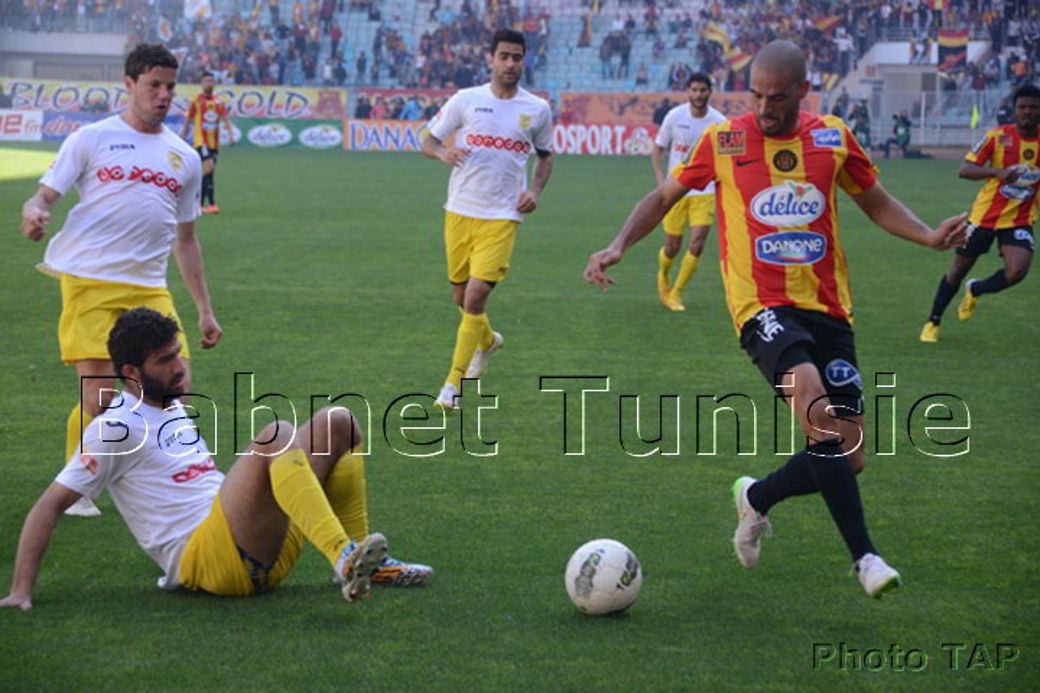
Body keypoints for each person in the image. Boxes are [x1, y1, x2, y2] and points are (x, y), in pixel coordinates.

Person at [583, 40, 967, 598]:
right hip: (760, 307)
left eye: (778, 97)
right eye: (757, 94)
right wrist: (618, 244)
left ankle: (757, 497)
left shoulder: (832, 137)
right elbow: (664, 194)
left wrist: (930, 235)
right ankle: (866, 558)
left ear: (803, 91)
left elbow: (876, 201)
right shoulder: (725, 140)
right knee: (812, 400)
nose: (765, 107)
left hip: (830, 310)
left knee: (849, 455)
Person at [0, 308, 432, 611]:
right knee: (276, 435)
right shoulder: (115, 428)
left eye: (177, 353)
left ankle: (362, 567)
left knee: (340, 421)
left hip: (253, 541)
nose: (180, 367)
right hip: (209, 562)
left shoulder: (168, 402)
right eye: (165, 360)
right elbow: (48, 506)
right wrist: (21, 590)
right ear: (131, 372)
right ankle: (343, 555)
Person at [20, 43, 224, 518]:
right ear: (129, 84)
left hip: (150, 288)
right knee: (100, 398)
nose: (164, 94)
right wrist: (35, 211)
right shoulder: (91, 138)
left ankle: (156, 474)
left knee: (176, 389)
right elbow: (44, 196)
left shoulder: (183, 157)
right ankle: (79, 478)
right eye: (154, 84)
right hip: (89, 280)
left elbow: (187, 241)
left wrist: (205, 311)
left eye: (171, 86)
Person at [421, 28, 554, 410]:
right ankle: (488, 340)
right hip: (460, 209)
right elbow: (426, 139)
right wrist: (441, 153)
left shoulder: (537, 109)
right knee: (461, 298)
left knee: (477, 295)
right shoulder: (466, 100)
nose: (511, 64)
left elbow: (546, 157)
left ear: (524, 60)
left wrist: (535, 192)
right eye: (504, 57)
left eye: (517, 57)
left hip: (502, 214)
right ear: (491, 59)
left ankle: (452, 383)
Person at [919, 84, 1039, 343]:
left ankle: (976, 289)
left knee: (1017, 271)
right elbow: (965, 169)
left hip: (1019, 219)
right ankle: (933, 321)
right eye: (1023, 107)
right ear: (1015, 110)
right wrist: (998, 172)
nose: (1027, 112)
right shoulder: (997, 137)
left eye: (1033, 107)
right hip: (984, 217)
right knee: (958, 269)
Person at [650, 72, 726, 311]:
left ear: (710, 92)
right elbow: (658, 149)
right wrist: (662, 181)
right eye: (694, 90)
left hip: (705, 191)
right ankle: (663, 275)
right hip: (676, 189)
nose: (698, 95)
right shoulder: (675, 116)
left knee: (697, 244)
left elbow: (727, 159)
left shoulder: (720, 122)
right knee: (672, 247)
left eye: (703, 90)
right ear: (688, 92)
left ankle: (676, 292)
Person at [180, 71, 236, 215]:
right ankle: (211, 204)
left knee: (208, 173)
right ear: (201, 84)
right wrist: (181, 139)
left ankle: (199, 205)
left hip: (214, 143)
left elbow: (226, 119)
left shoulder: (219, 102)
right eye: (206, 81)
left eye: (211, 81)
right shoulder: (195, 101)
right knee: (209, 167)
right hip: (200, 140)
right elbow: (187, 121)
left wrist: (231, 135)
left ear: (215, 83)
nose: (208, 83)